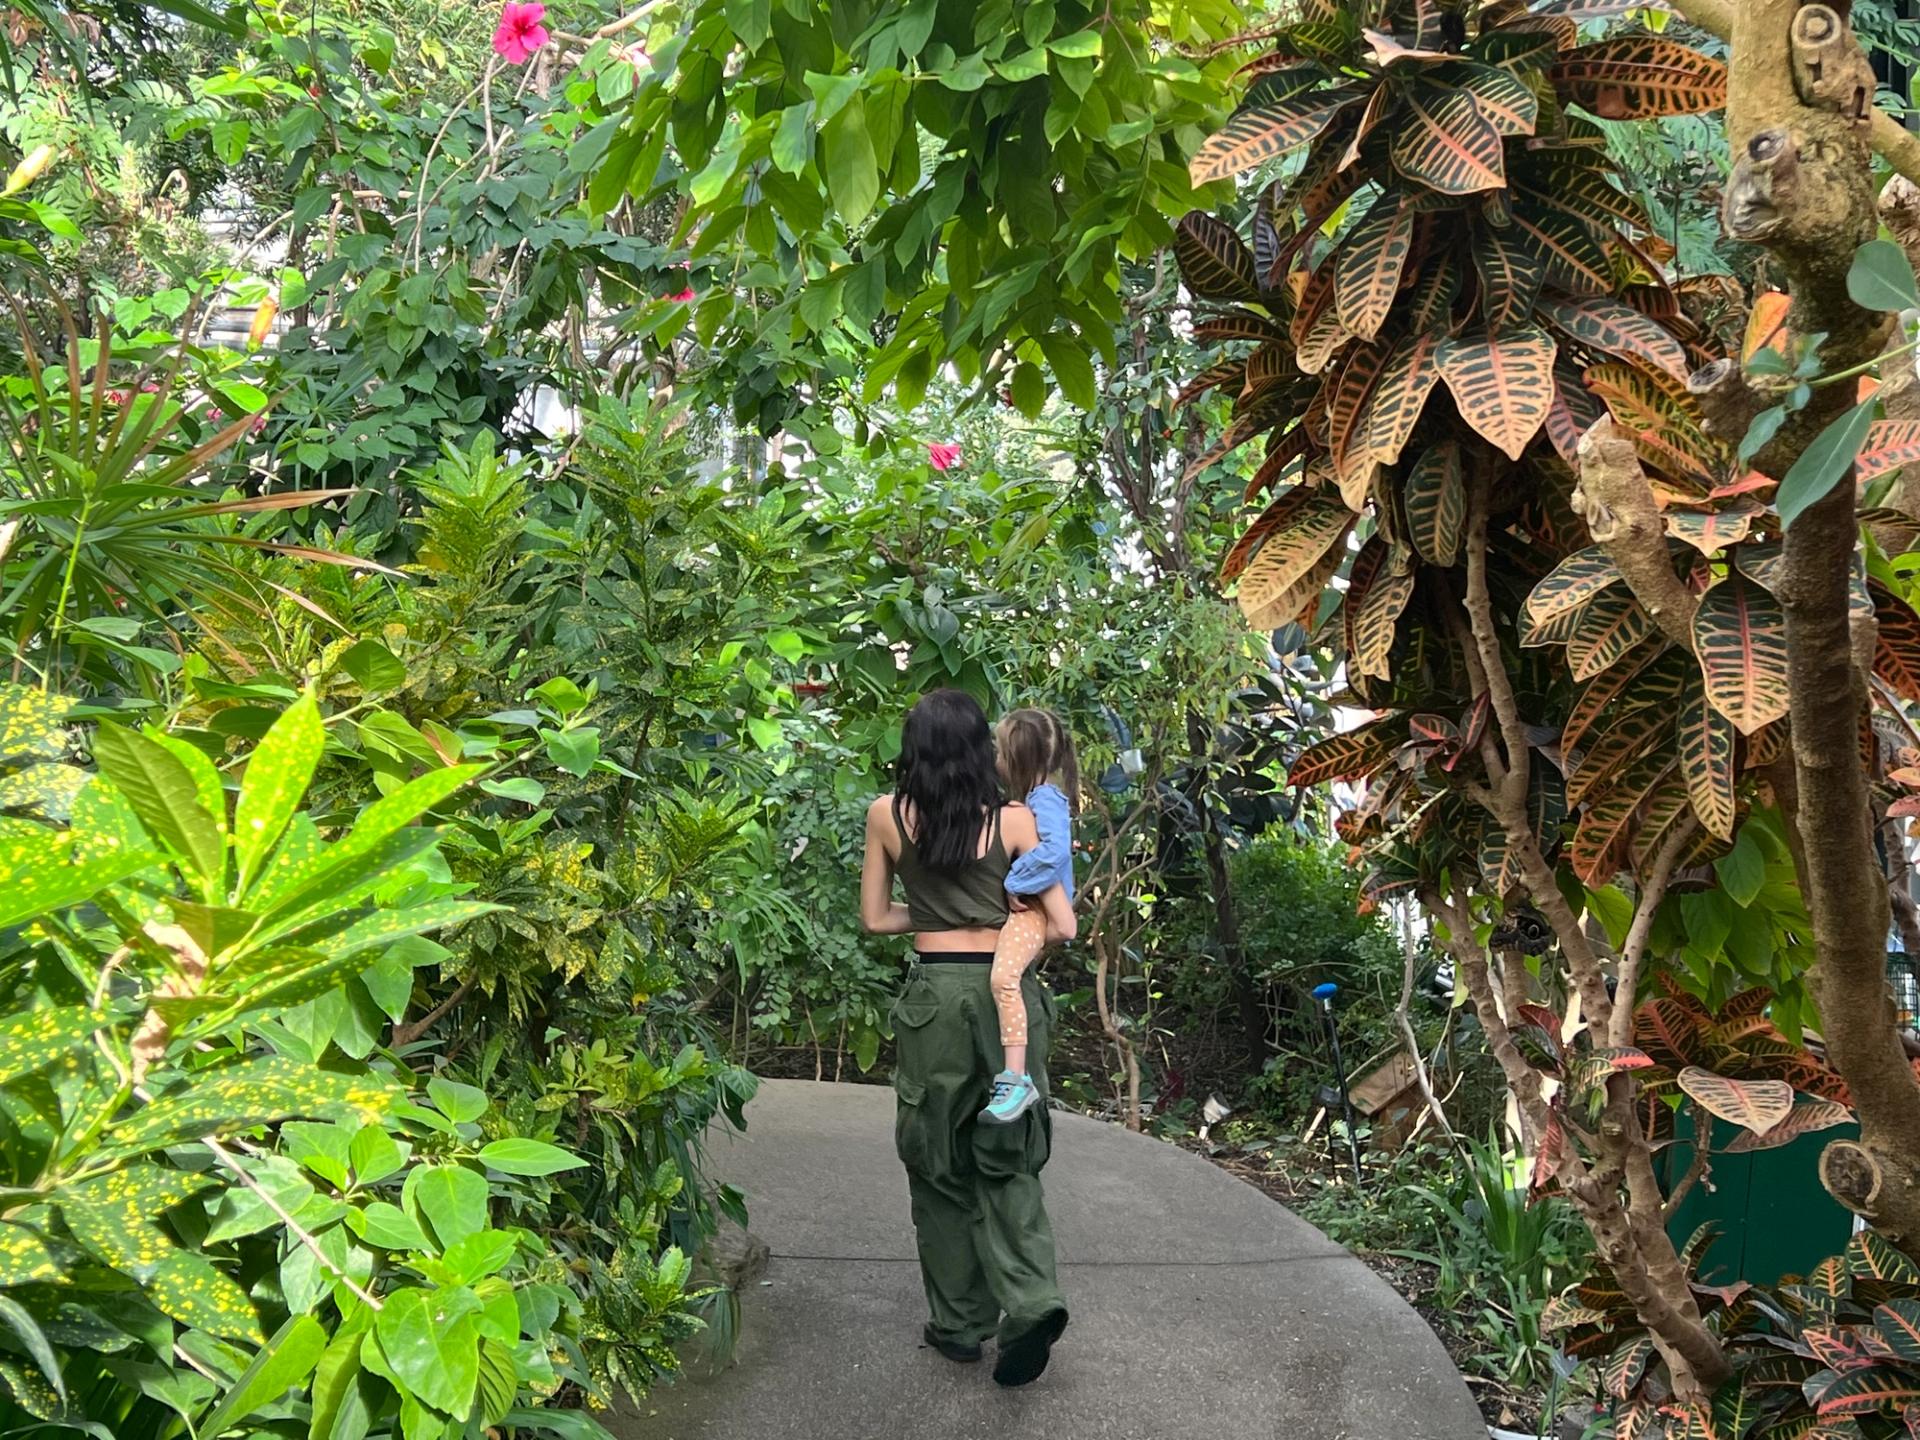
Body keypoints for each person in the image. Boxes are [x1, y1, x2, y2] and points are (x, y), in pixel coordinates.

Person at [860, 689, 1072, 1388]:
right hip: (1008, 1002)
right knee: (1010, 1153)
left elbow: (874, 919)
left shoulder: (888, 816)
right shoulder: (1015, 820)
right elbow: (1057, 920)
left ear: (912, 748)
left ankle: (958, 1326)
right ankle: (1034, 1301)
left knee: (938, 1159)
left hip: (936, 1000)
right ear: (984, 747)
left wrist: (926, 910)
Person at [979, 708, 1078, 1126]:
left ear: (1015, 759)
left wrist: (1015, 882)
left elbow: (1055, 852)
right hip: (1036, 906)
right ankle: (1015, 1076)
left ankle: (1015, 1078)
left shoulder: (1046, 801)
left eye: (1000, 752)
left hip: (1035, 906)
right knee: (1008, 978)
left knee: (1003, 980)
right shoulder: (1035, 800)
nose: (995, 760)